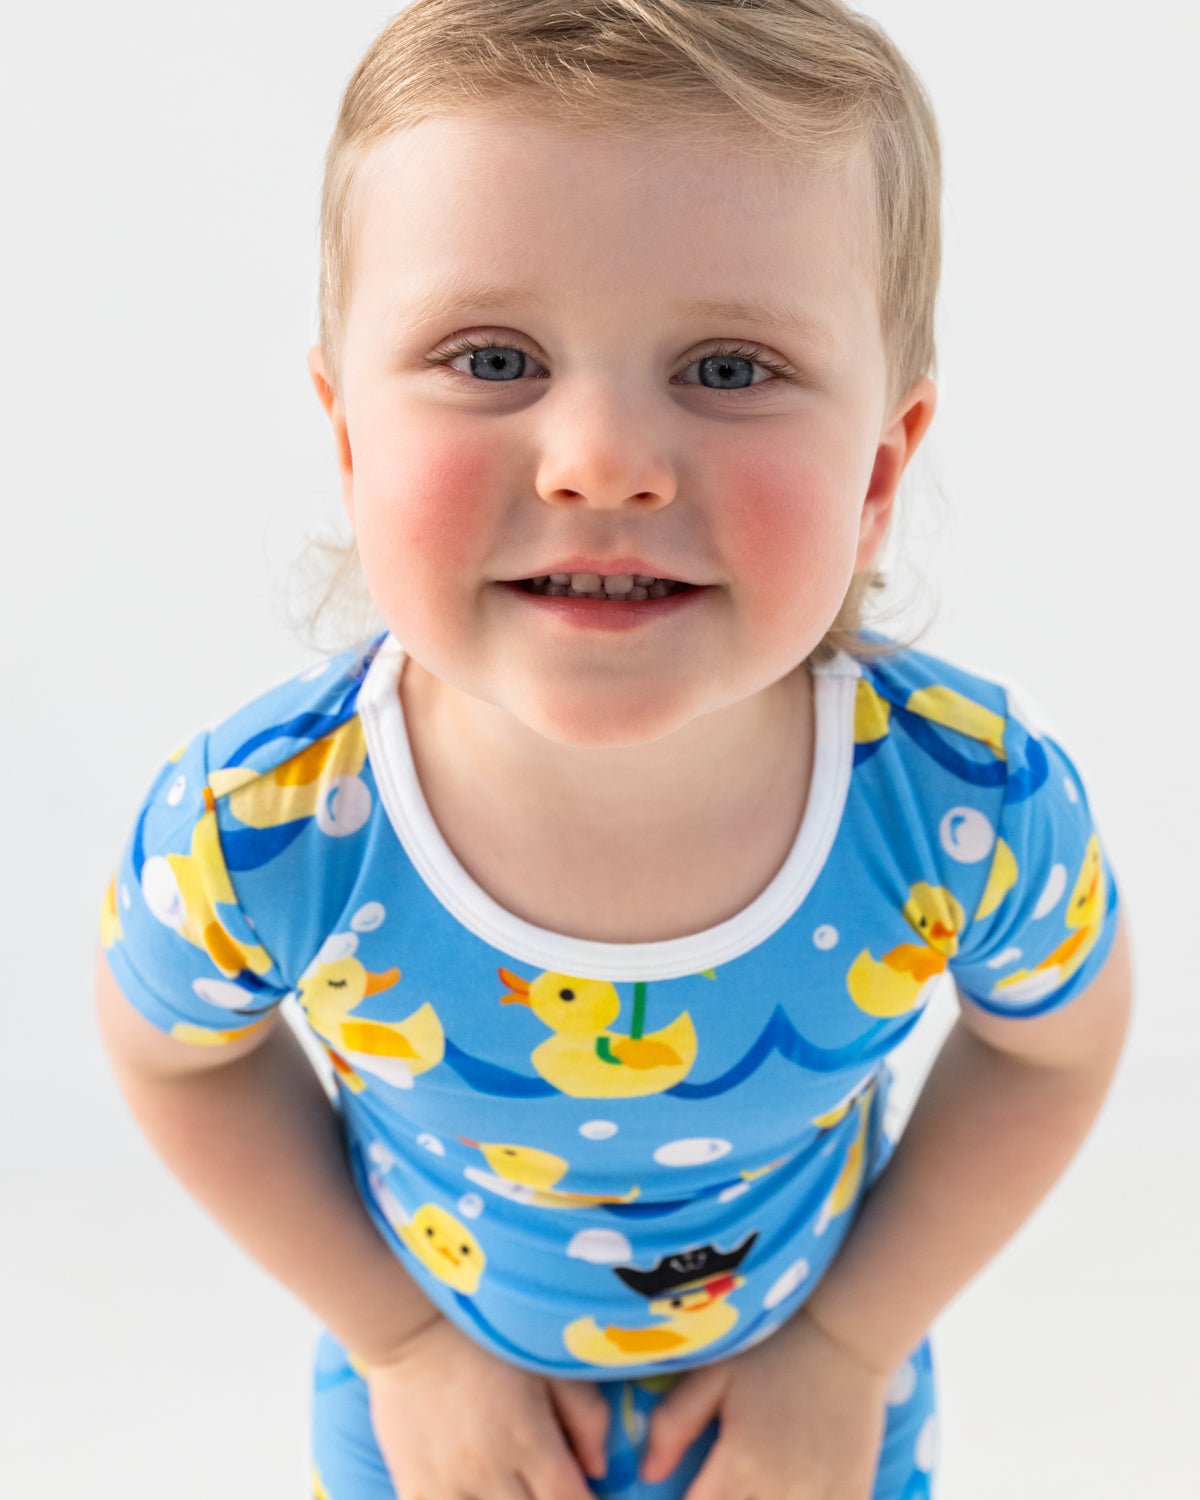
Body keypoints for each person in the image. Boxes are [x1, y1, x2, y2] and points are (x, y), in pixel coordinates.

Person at [94, 1, 1132, 1496]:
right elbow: (180, 1066)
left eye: (727, 369)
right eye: (493, 355)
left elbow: (1059, 1043)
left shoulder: (962, 807)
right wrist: (397, 1343)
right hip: (432, 1416)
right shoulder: (261, 825)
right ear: (344, 434)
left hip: (812, 1413)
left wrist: (848, 1346)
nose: (601, 462)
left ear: (879, 472)